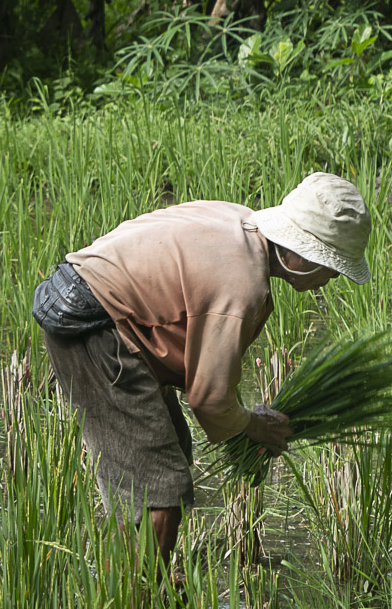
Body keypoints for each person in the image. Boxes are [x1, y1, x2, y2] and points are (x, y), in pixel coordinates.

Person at [32, 171, 371, 568]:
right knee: (161, 492)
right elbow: (209, 398)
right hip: (95, 328)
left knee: (170, 451)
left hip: (91, 307)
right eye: (331, 266)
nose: (331, 279)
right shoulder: (242, 284)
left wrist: (238, 417)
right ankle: (132, 604)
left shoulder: (239, 223)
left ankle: (128, 580)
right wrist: (254, 425)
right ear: (302, 253)